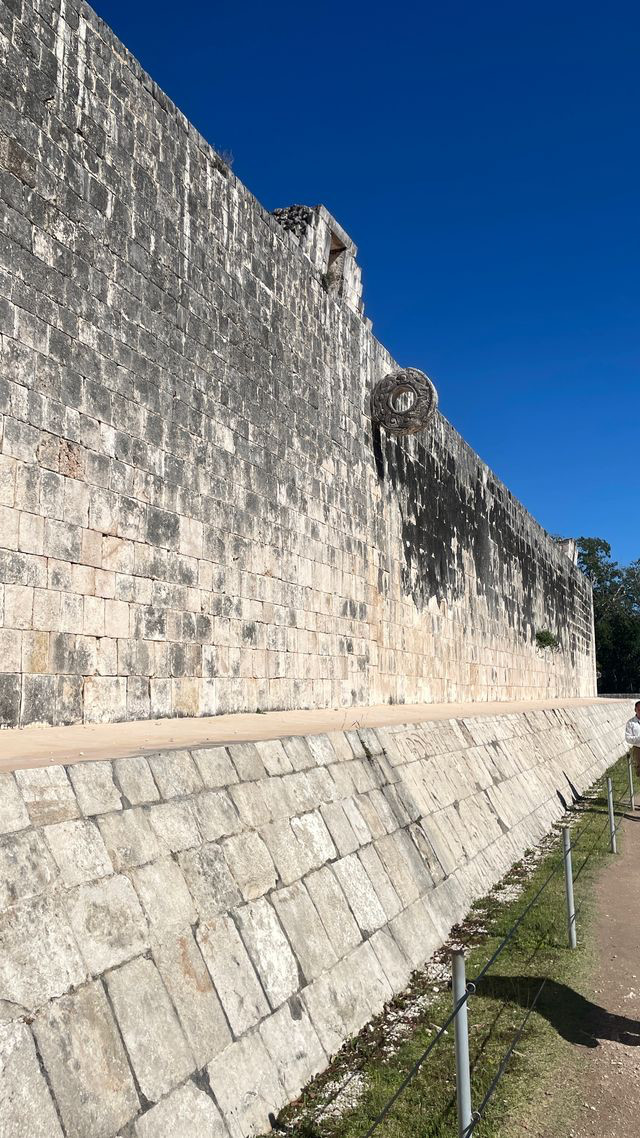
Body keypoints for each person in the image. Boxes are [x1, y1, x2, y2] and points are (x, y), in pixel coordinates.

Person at [625, 700, 640, 775]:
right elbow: (628, 738)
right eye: (639, 710)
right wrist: (638, 738)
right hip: (638, 750)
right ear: (635, 710)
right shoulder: (630, 723)